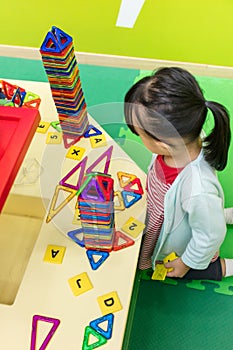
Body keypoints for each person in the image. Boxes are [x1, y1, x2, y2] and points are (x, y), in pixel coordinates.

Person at [124, 67, 233, 280]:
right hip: (172, 214)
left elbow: (210, 236)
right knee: (209, 216)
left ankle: (228, 266)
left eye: (139, 133)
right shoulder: (186, 134)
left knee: (196, 264)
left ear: (161, 143)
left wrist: (185, 262)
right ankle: (223, 214)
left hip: (187, 238)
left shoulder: (197, 190)